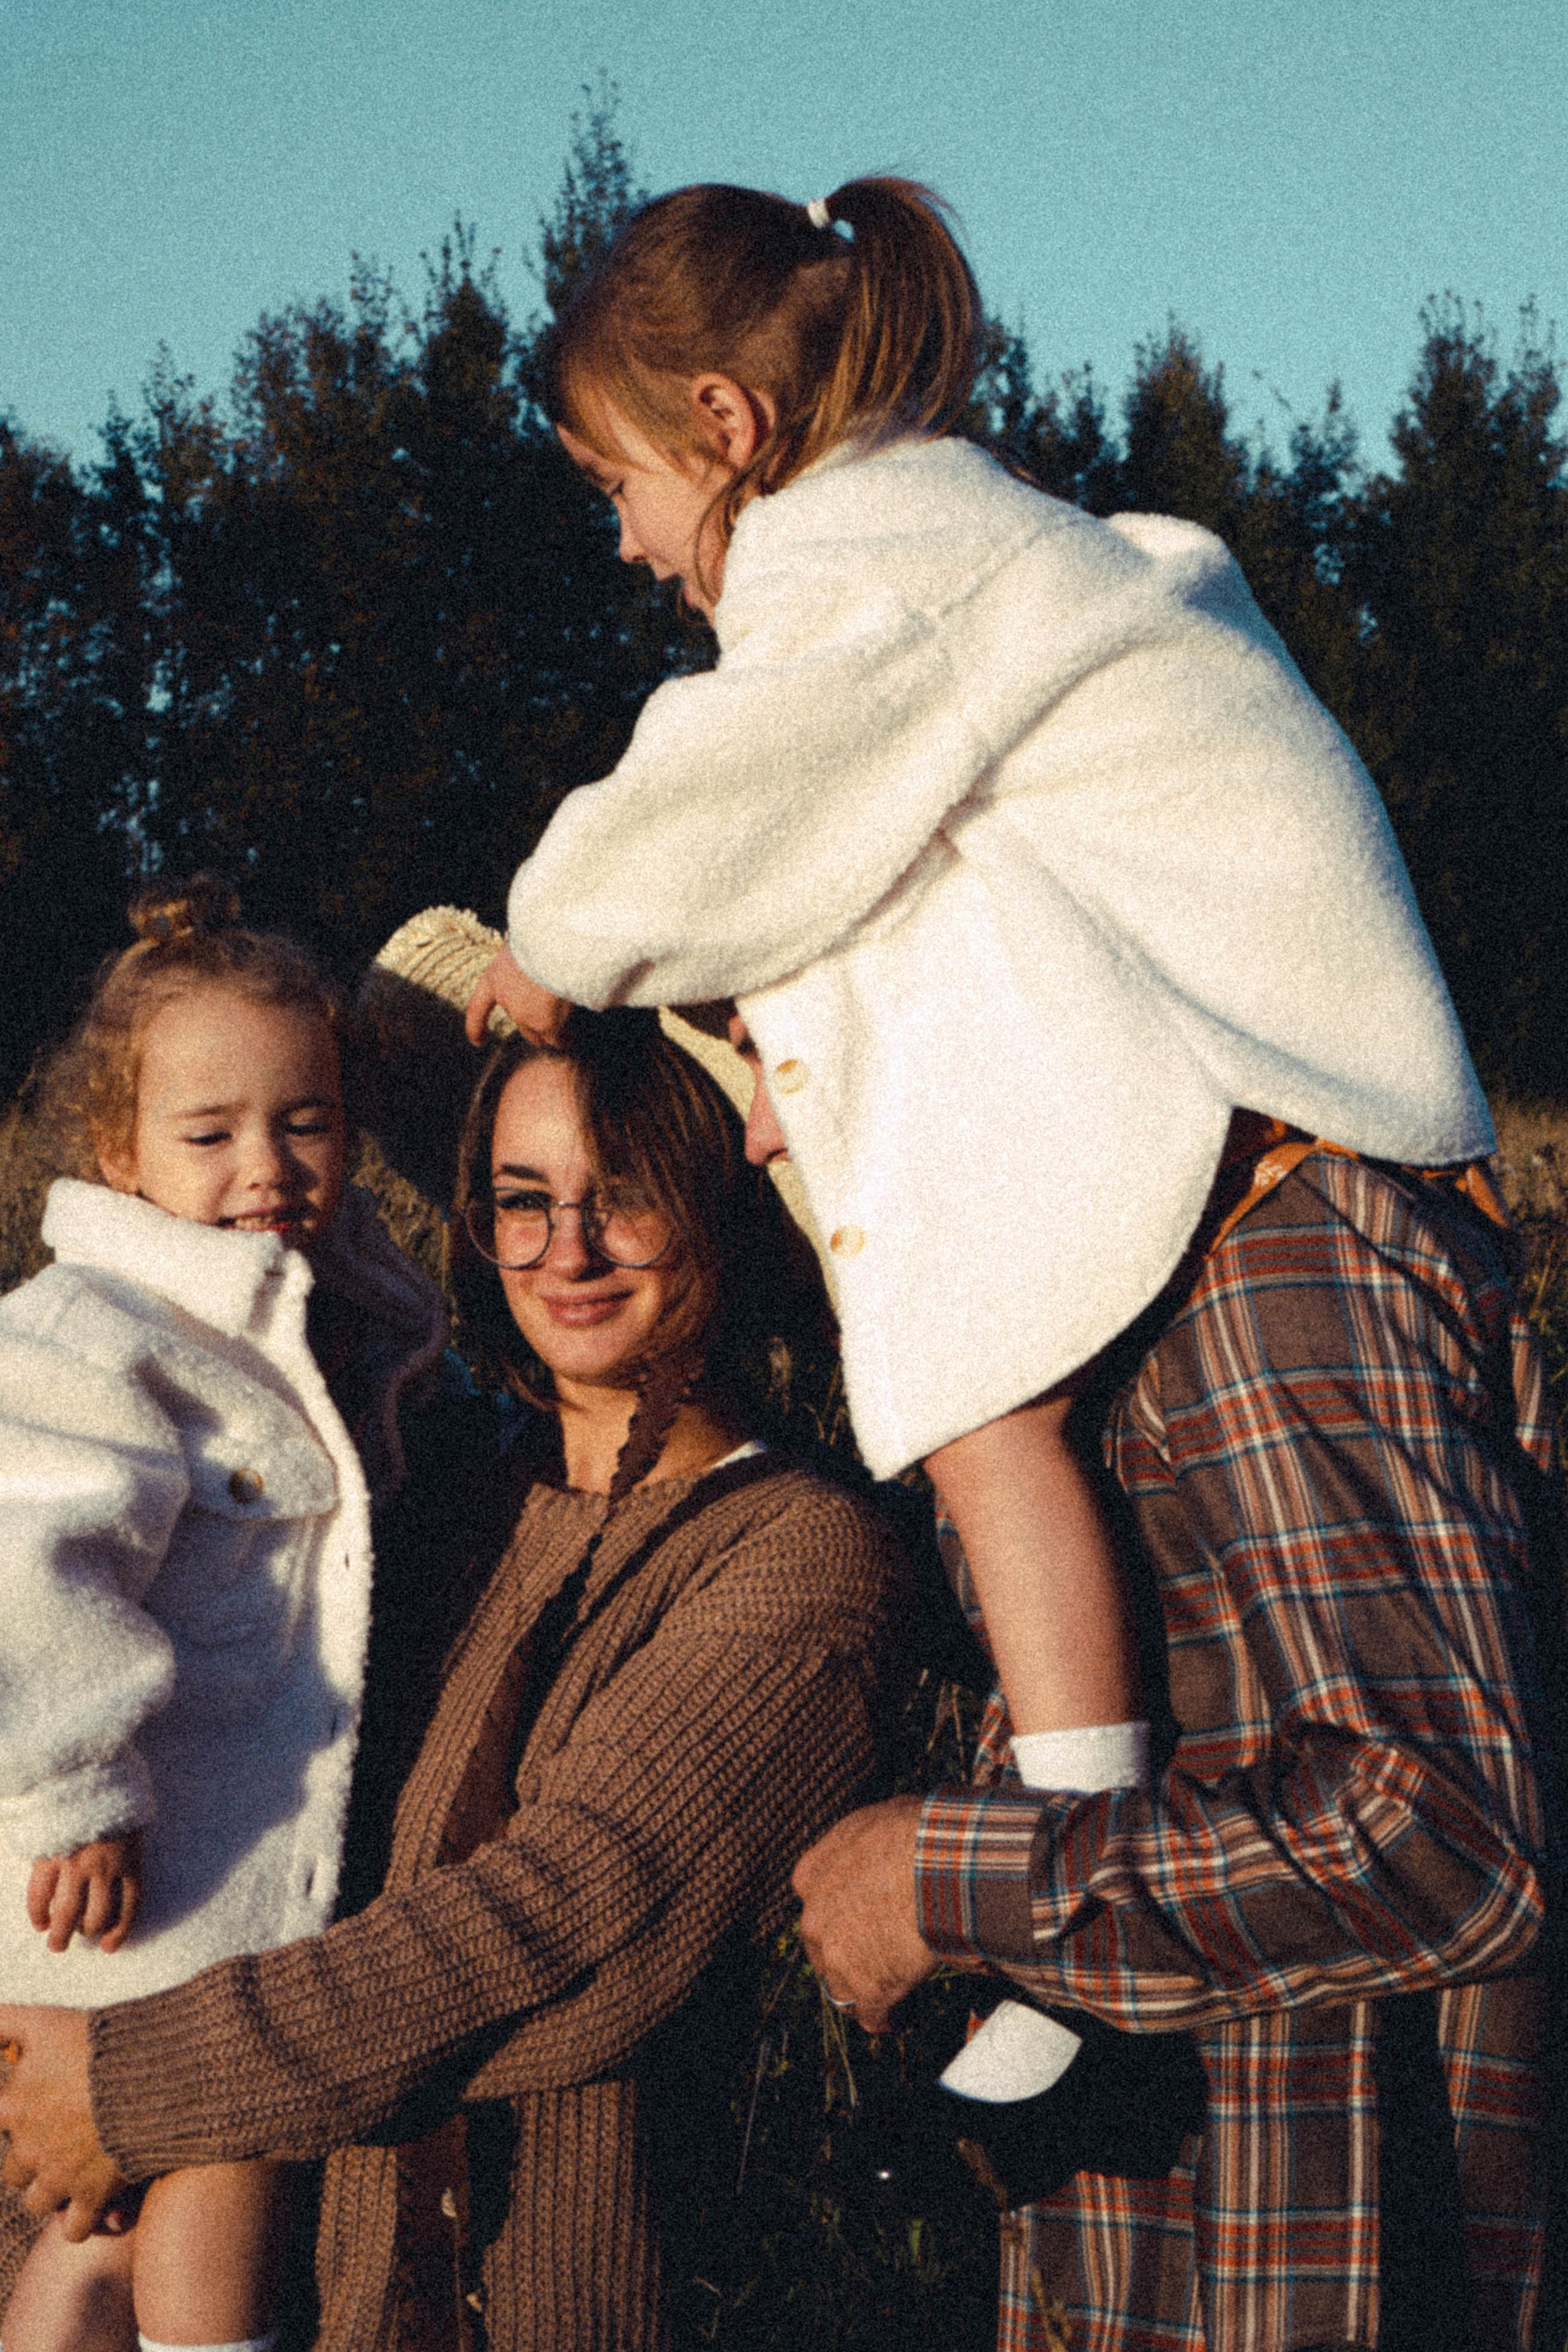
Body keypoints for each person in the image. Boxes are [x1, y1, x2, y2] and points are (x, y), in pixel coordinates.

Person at [459, 176, 1495, 2117]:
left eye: (617, 485)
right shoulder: (967, 576)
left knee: (985, 1426)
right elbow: (929, 899)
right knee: (1034, 1477)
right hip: (1246, 1151)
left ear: (725, 431)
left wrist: (545, 945)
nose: (622, 544)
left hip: (1297, 1178)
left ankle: (1059, 1888)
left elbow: (690, 815)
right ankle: (1080, 1901)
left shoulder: (874, 566)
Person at [0, 987, 908, 2352]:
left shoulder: (799, 1556)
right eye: (521, 1199)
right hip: (276, 2275)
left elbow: (559, 1926)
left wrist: (130, 2085)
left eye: (627, 1195)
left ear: (721, 1205)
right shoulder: (430, 1495)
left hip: (531, 2298)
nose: (568, 1250)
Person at [0, 879, 448, 2352]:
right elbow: (26, 1556)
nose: (267, 1164)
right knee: (216, 2139)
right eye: (209, 1134)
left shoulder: (301, 1310)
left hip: (223, 1847)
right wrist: (76, 1782)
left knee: (118, 2211)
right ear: (118, 1155)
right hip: (125, 1852)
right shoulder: (99, 1331)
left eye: (305, 1121)